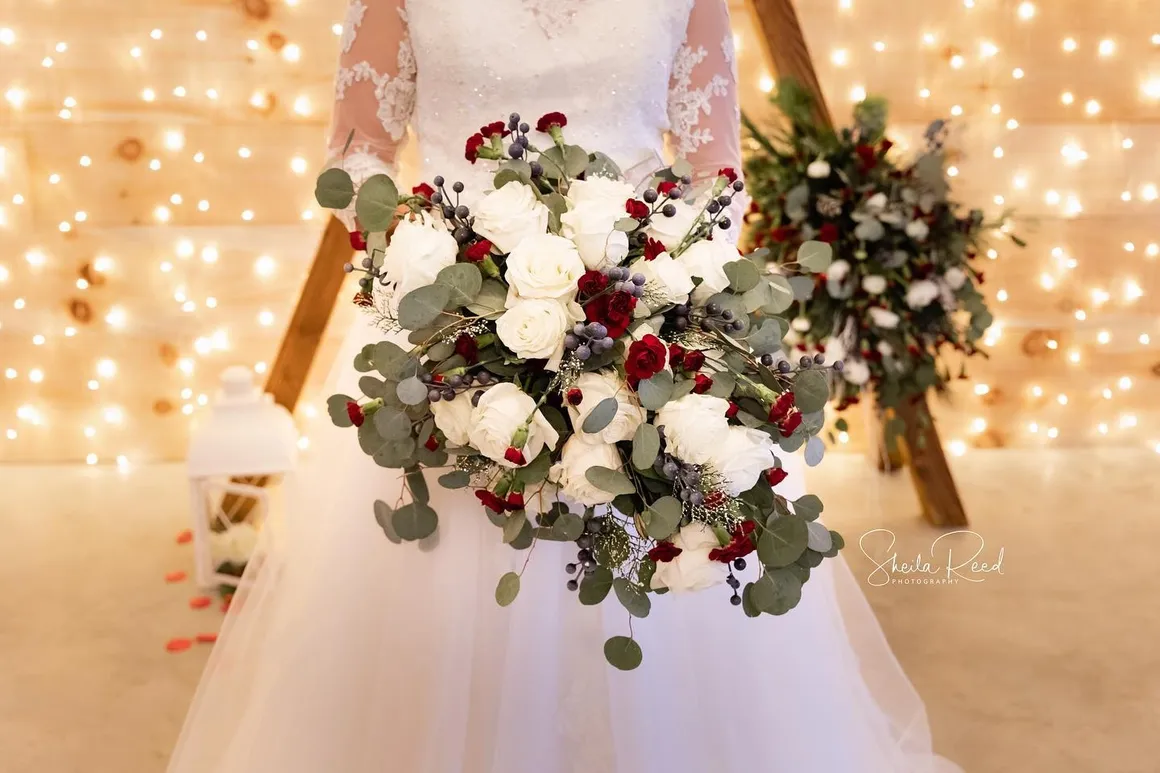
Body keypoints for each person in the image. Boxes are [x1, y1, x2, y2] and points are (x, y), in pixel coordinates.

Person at [167, 1, 960, 770]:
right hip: (449, 331)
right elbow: (358, 157)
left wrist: (661, 292)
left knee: (665, 578)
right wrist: (450, 284)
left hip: (647, 338)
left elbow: (715, 174)